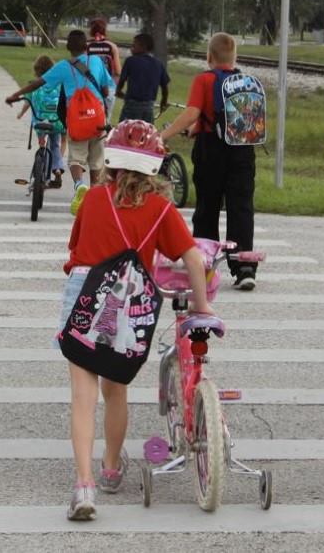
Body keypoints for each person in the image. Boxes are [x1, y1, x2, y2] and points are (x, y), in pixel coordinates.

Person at [56, 120, 215, 521]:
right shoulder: (161, 209)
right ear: (155, 166)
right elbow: (193, 258)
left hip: (85, 294)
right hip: (127, 306)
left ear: (110, 160)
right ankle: (111, 468)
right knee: (116, 390)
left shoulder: (93, 199)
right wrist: (202, 308)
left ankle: (84, 485)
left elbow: (75, 253)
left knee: (82, 396)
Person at [160, 32, 258, 291]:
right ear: (234, 57)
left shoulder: (205, 79)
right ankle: (244, 268)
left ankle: (203, 263)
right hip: (243, 150)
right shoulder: (246, 81)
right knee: (241, 208)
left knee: (208, 207)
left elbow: (194, 112)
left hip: (212, 151)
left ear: (209, 57)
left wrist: (163, 135)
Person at [5, 30, 114, 216]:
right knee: (96, 161)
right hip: (97, 119)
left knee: (75, 158)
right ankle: (95, 195)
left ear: (68, 48)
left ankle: (80, 185)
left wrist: (16, 95)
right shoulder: (97, 62)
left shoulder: (63, 66)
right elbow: (105, 91)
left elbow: (38, 83)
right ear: (86, 46)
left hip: (77, 118)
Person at [15, 55, 65, 188]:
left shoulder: (34, 85)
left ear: (37, 71)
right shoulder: (59, 85)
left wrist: (20, 113)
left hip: (40, 123)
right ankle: (58, 169)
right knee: (55, 145)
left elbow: (27, 102)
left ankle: (43, 170)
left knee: (43, 145)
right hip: (57, 122)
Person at [115, 32, 170, 123]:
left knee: (125, 131)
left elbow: (122, 80)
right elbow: (165, 87)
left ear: (143, 47)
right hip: (149, 106)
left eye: (134, 46)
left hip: (131, 105)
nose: (131, 49)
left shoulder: (130, 61)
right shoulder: (158, 64)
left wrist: (118, 91)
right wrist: (163, 102)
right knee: (146, 132)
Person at [86, 16, 121, 122]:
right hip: (109, 87)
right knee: (105, 119)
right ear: (105, 30)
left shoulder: (87, 46)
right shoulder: (112, 47)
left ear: (91, 31)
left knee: (89, 117)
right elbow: (118, 71)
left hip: (90, 88)